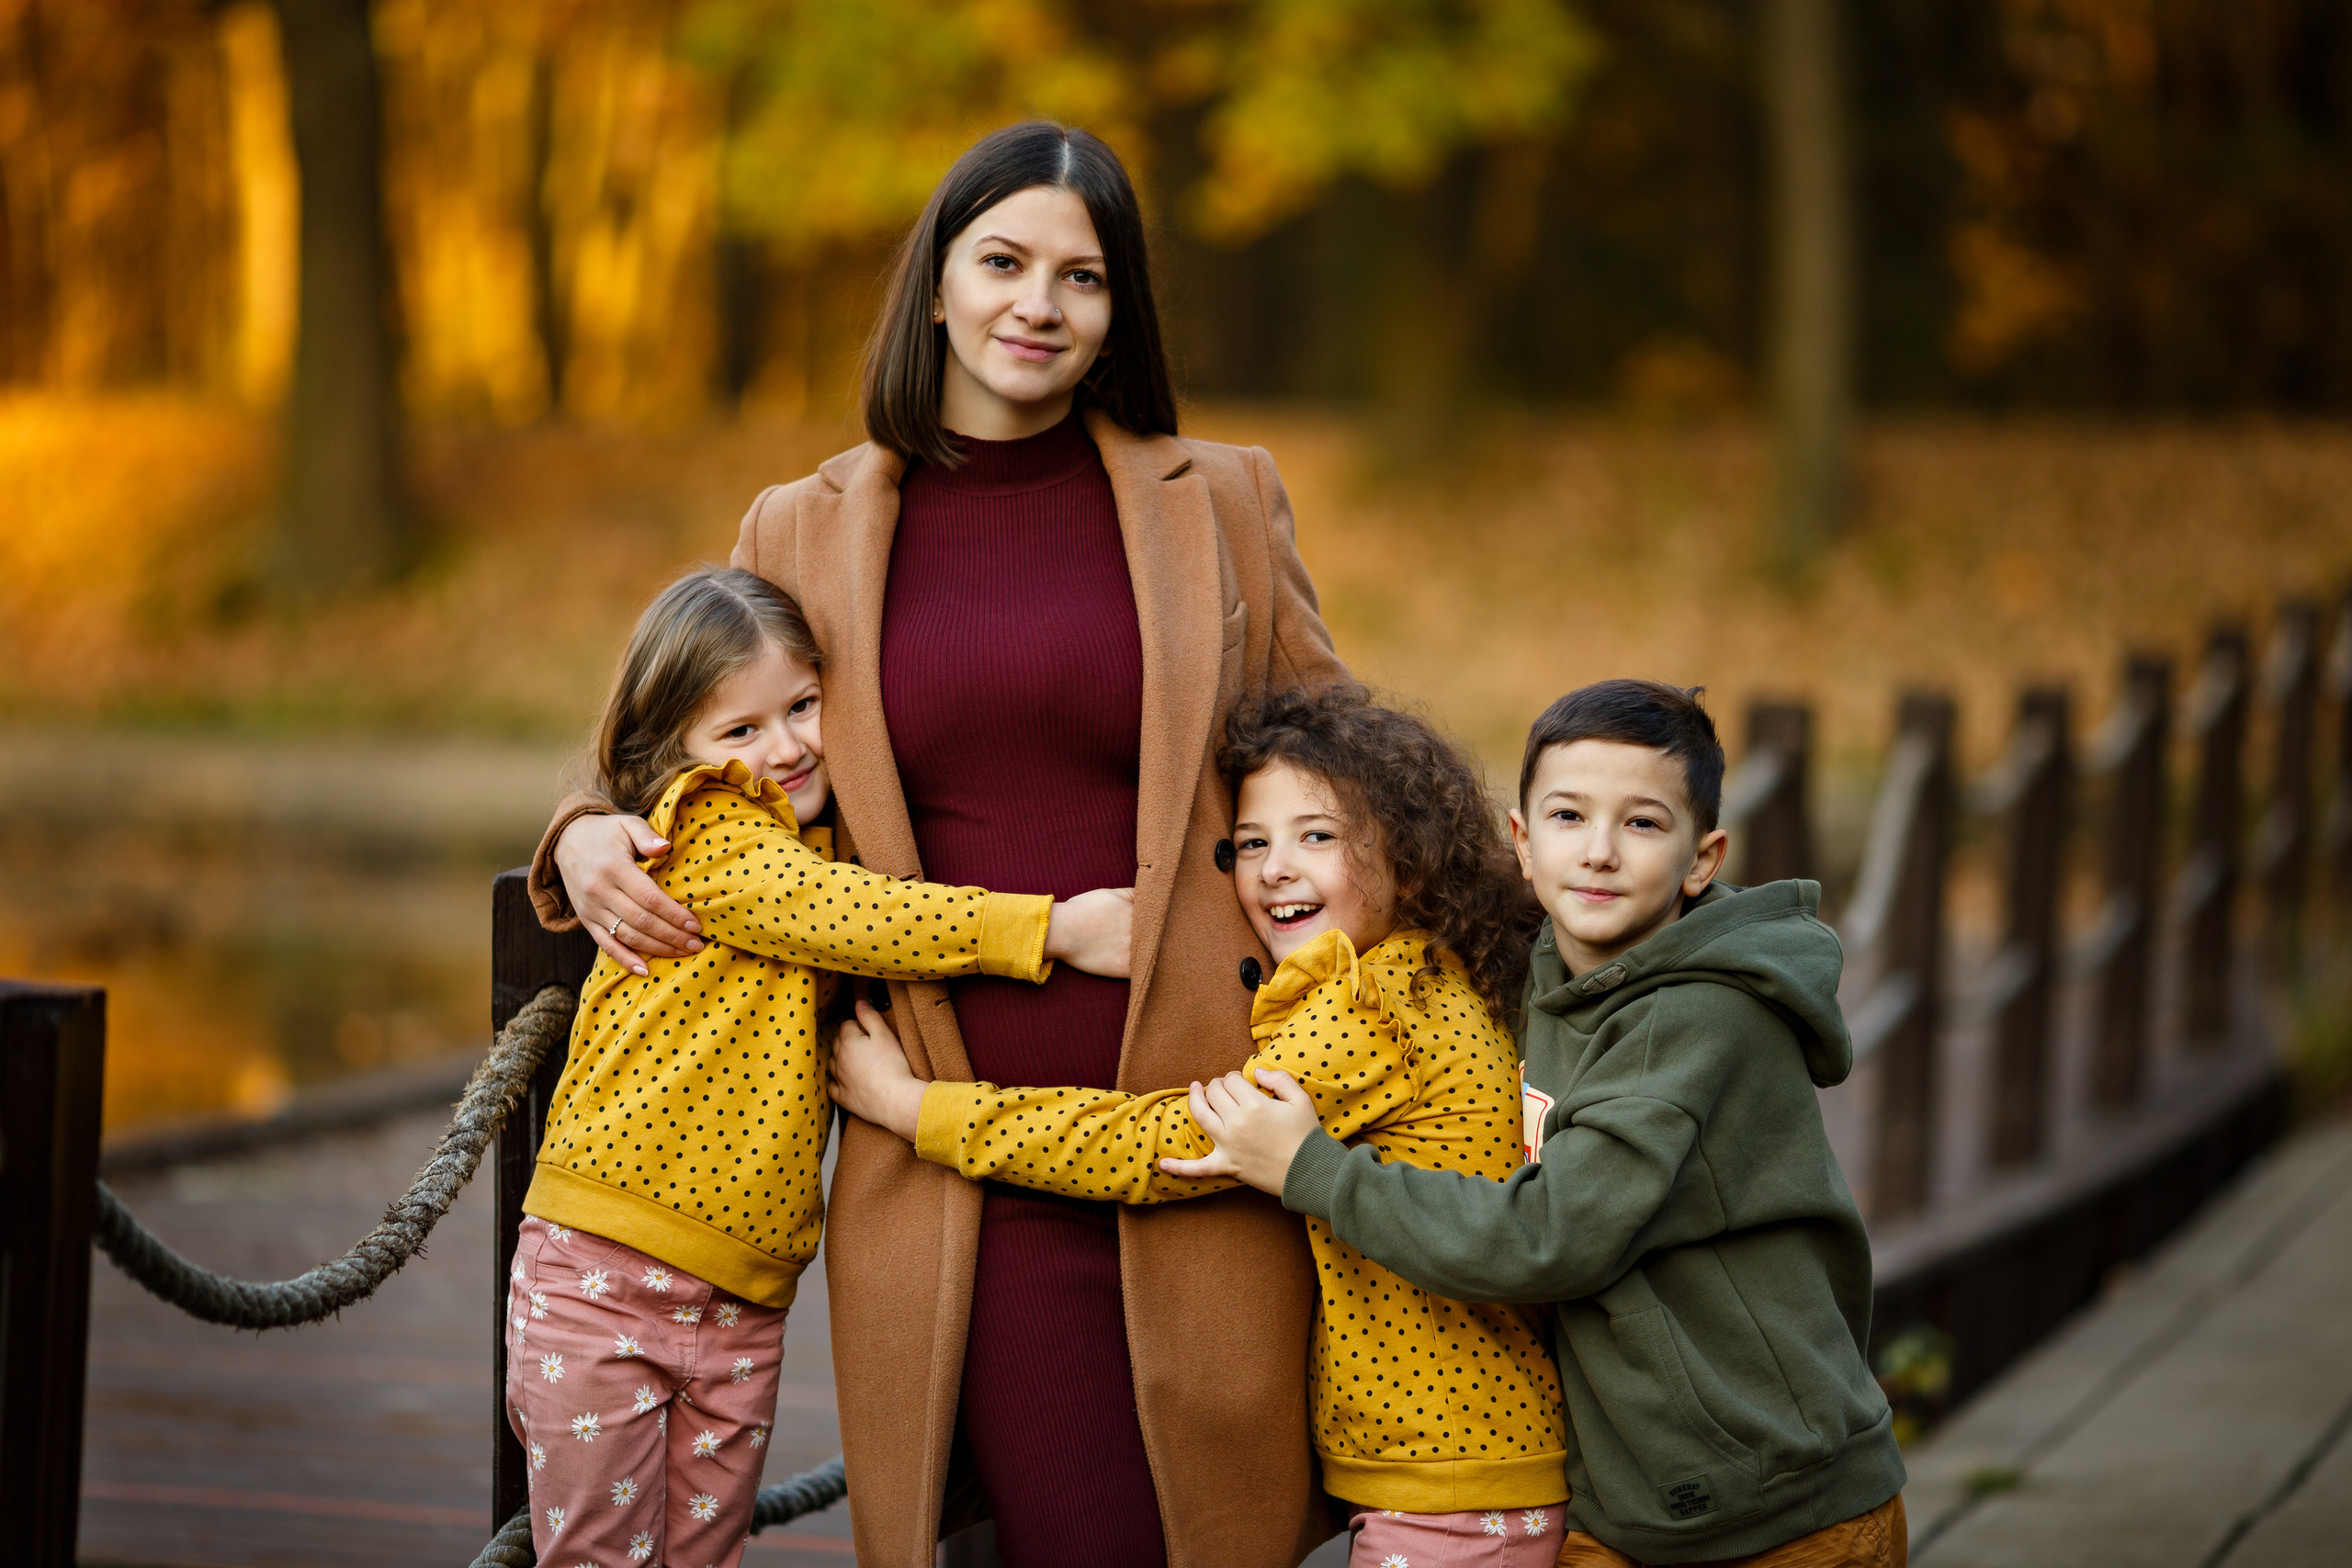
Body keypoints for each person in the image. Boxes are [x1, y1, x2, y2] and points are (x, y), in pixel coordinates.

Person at [526, 121, 1348, 1568]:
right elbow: (689, 738)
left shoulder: (1217, 498)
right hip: (940, 1110)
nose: (1039, 304)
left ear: (1117, 311)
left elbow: (1345, 764)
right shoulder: (804, 523)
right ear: (938, 285)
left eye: (1082, 277)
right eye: (1005, 261)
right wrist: (587, 830)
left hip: (1198, 1107)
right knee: (1057, 1522)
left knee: (1209, 1526)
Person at [831, 685, 1568, 1567]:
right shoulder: (1434, 976)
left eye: (1317, 836)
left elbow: (1152, 1144)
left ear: (1407, 859)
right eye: (1251, 843)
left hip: (1452, 1481)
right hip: (1463, 1466)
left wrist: (916, 1107)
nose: (1274, 868)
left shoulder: (1376, 1007)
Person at [1188, 681, 1910, 1568]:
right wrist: (1138, 932)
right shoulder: (1541, 969)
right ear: (1523, 843)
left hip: (1778, 1510)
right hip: (1630, 1498)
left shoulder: (1691, 1024)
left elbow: (1551, 1239)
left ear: (1702, 858)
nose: (1599, 852)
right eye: (1569, 816)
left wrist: (1316, 1169)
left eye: (1642, 824)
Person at [505, 568, 1133, 1568]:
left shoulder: (826, 841)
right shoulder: (708, 833)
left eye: (802, 706)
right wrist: (1056, 929)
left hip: (744, 1302)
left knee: (702, 1557)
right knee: (596, 1558)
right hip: (604, 1276)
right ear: (680, 755)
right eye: (741, 730)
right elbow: (855, 915)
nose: (787, 747)